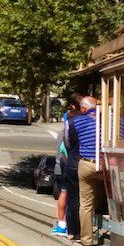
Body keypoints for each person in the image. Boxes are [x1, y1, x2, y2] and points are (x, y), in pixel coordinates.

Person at [68, 96, 105, 246]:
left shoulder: (76, 121)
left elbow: (70, 142)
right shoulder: (111, 119)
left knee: (85, 205)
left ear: (83, 108)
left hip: (86, 164)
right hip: (106, 164)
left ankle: (87, 239)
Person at [51, 94, 82, 236]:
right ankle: (61, 224)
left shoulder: (64, 132)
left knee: (66, 194)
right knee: (65, 193)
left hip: (64, 166)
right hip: (64, 167)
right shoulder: (64, 134)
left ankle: (62, 223)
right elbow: (62, 153)